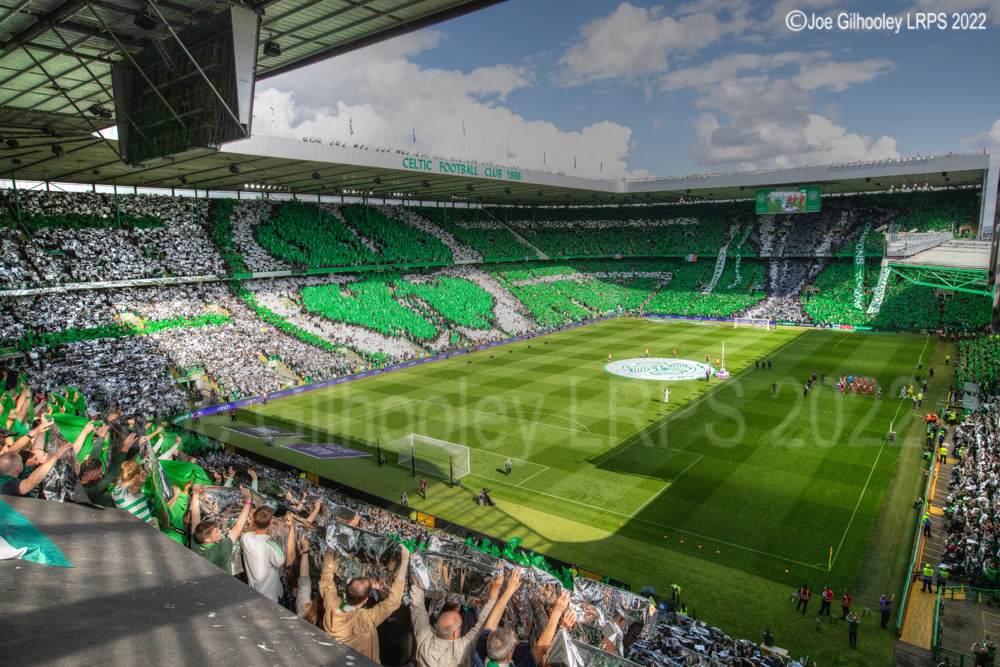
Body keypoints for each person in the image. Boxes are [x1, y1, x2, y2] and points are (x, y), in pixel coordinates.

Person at [319, 542, 410, 663]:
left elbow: (326, 579)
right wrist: (404, 562)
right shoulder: (364, 619)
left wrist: (331, 547)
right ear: (366, 599)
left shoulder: (332, 608)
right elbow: (393, 602)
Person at [410, 561, 500, 667]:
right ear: (454, 634)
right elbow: (481, 626)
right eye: (461, 626)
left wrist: (416, 565)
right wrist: (495, 591)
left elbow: (417, 605)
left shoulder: (423, 638)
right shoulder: (460, 650)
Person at [190, 485, 253, 572]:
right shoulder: (220, 550)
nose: (220, 531)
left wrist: (196, 494)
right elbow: (238, 527)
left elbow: (195, 519)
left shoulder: (195, 546)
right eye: (216, 531)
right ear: (207, 539)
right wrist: (248, 501)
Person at [241, 507, 296, 604]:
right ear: (271, 521)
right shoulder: (270, 546)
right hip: (272, 597)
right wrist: (292, 529)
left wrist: (252, 521)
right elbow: (287, 563)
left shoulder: (245, 538)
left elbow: (249, 532)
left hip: (254, 592)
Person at [0, 440, 74, 497]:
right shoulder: (8, 485)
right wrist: (55, 457)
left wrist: (34, 433)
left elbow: (10, 453)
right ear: (19, 468)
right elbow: (32, 482)